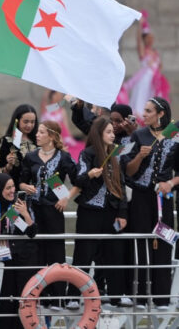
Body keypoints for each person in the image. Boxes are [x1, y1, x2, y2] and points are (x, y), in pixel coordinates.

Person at [66, 116, 130, 308]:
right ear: (99, 133)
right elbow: (78, 180)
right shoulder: (87, 154)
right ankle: (73, 297)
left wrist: (123, 213)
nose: (112, 135)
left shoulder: (116, 155)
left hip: (110, 212)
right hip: (89, 212)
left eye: (113, 132)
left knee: (114, 253)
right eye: (108, 132)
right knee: (83, 254)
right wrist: (90, 175)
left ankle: (117, 295)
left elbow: (121, 186)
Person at [123, 97, 179, 310]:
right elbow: (127, 169)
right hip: (140, 198)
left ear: (160, 114)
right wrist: (139, 156)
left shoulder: (174, 134)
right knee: (139, 242)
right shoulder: (136, 135)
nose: (143, 114)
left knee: (164, 243)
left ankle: (162, 298)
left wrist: (170, 183)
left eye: (148, 111)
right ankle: (138, 295)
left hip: (163, 198)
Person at [19, 120, 77, 310]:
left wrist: (66, 197)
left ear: (52, 136)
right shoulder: (30, 157)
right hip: (34, 211)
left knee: (56, 253)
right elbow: (21, 180)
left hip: (54, 211)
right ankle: (39, 297)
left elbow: (78, 181)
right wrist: (24, 186)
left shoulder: (64, 157)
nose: (37, 134)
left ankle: (58, 298)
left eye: (42, 132)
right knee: (37, 253)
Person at [0, 173, 37, 329]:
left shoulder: (19, 202)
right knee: (4, 300)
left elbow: (31, 232)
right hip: (2, 259)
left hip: (24, 259)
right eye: (8, 188)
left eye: (13, 187)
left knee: (22, 300)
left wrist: (25, 213)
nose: (12, 191)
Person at [119, 12, 170, 124]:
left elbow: (159, 67)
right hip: (143, 81)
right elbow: (138, 41)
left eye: (151, 37)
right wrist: (140, 25)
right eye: (147, 38)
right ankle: (133, 126)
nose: (150, 40)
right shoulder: (143, 51)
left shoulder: (155, 52)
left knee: (152, 104)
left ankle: (151, 124)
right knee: (138, 103)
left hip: (153, 83)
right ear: (144, 39)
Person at [0, 104, 39, 188]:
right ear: (17, 121)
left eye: (32, 122)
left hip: (38, 192)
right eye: (26, 122)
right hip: (14, 192)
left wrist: (62, 195)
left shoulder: (39, 140)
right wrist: (9, 165)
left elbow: (50, 170)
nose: (29, 125)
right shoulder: (6, 141)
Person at [40, 90, 84, 159]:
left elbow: (66, 126)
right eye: (56, 95)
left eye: (59, 95)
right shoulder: (48, 109)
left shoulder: (60, 110)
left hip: (63, 136)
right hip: (51, 136)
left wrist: (70, 137)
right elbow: (44, 102)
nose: (58, 96)